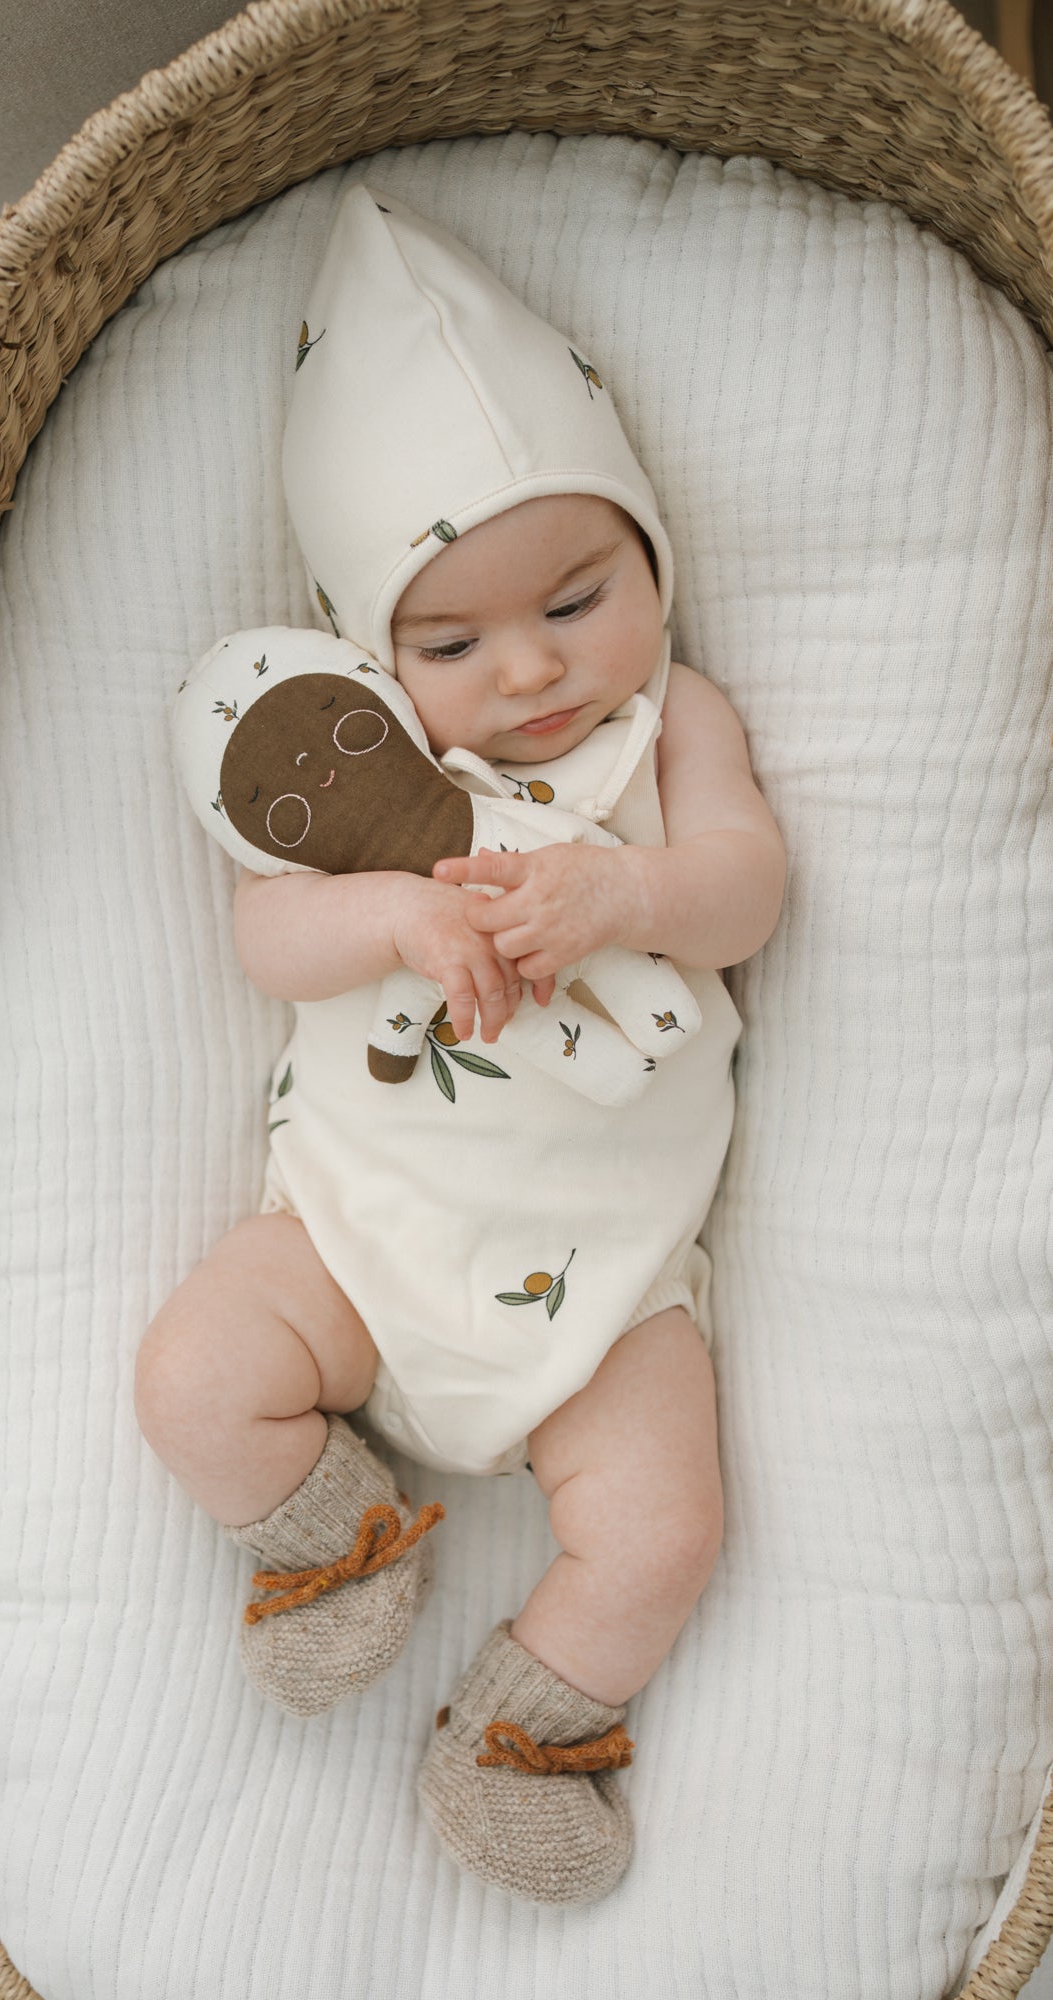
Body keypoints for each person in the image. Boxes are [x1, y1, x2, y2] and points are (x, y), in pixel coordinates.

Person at [135, 183, 785, 1906]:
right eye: (452, 642)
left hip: (609, 1282)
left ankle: (530, 1725)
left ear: (654, 561)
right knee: (192, 1379)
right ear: (375, 652)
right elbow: (263, 934)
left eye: (577, 599)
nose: (528, 676)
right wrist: (401, 917)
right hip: (358, 1239)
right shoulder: (368, 783)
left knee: (664, 1528)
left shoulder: (669, 734)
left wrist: (627, 890)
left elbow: (747, 893)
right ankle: (336, 1540)